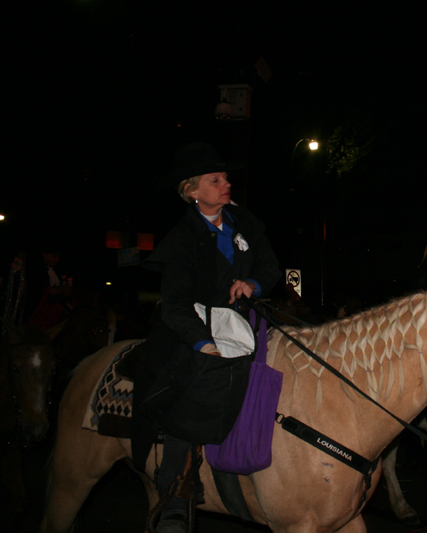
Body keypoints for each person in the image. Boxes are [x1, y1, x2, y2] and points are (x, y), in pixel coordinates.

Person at [131, 142, 281, 533]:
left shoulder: (244, 220)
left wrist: (253, 281)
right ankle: (176, 494)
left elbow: (270, 266)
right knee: (192, 388)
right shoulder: (181, 239)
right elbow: (175, 305)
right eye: (215, 180)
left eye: (226, 178)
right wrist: (202, 343)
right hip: (193, 328)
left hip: (248, 321)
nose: (226, 184)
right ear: (192, 190)